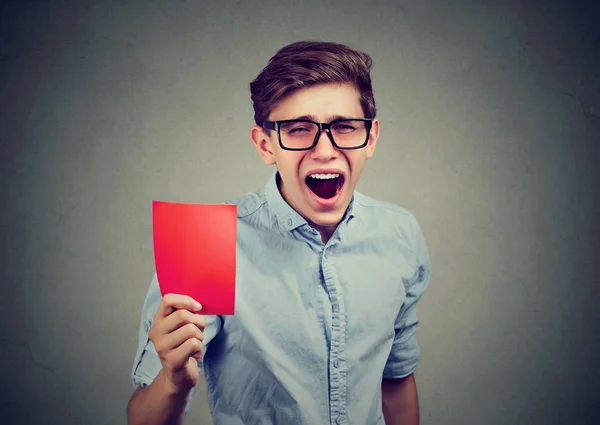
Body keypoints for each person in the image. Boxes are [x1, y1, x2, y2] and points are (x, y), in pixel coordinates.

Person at [127, 40, 431, 425]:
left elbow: (397, 381)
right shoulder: (208, 244)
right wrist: (173, 382)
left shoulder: (400, 233)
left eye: (344, 127)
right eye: (299, 129)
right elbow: (141, 418)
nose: (324, 150)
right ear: (265, 144)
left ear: (370, 138)